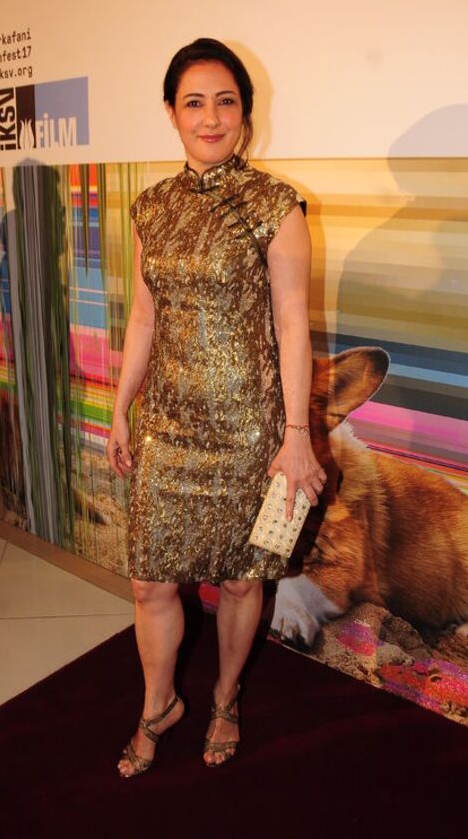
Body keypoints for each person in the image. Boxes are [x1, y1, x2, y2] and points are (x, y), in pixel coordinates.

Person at [107, 38, 326, 777]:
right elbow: (144, 317)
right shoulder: (151, 207)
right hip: (167, 426)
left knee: (239, 578)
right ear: (171, 112)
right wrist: (121, 409)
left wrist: (296, 435)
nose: (210, 118)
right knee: (149, 580)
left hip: (248, 431)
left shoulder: (275, 205)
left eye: (225, 102)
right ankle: (159, 704)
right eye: (194, 102)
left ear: (245, 115)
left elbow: (292, 324)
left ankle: (226, 698)